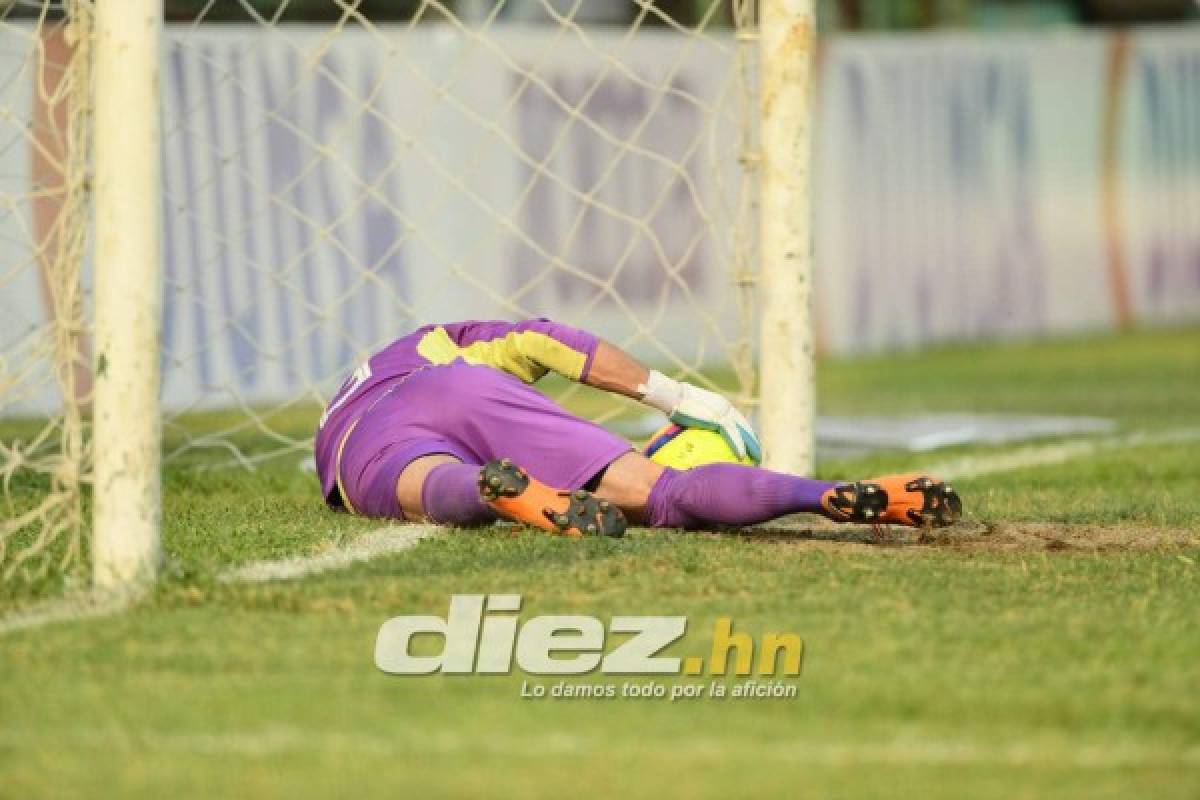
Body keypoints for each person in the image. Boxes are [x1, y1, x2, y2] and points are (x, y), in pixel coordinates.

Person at [314, 319, 961, 537]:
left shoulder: (345, 409)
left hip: (364, 444)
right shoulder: (437, 341)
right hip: (465, 387)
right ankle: (822, 495)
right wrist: (675, 396)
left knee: (428, 484)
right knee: (663, 493)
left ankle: (494, 490)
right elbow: (544, 339)